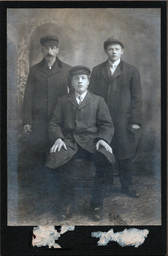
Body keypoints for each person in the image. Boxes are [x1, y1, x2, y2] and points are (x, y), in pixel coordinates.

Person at [46, 65, 115, 221]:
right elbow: (54, 123)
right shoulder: (63, 100)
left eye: (83, 78)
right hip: (69, 142)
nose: (79, 81)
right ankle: (67, 203)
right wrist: (58, 137)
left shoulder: (98, 100)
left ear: (88, 82)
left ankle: (96, 204)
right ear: (71, 82)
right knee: (56, 161)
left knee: (106, 161)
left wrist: (102, 139)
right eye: (76, 78)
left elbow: (107, 124)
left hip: (92, 142)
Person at [89, 36, 142, 198]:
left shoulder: (132, 71)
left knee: (125, 155)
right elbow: (91, 95)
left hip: (123, 120)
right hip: (103, 120)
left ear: (122, 51)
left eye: (117, 49)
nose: (114, 52)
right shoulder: (97, 70)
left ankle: (127, 186)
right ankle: (105, 185)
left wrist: (135, 120)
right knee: (104, 153)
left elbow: (137, 97)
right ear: (106, 51)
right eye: (111, 49)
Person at [22, 35, 72, 165]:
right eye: (46, 48)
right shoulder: (34, 70)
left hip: (60, 119)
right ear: (42, 50)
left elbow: (72, 96)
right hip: (39, 119)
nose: (49, 51)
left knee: (58, 153)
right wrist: (27, 120)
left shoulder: (67, 69)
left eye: (53, 48)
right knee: (39, 155)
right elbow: (28, 96)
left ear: (57, 50)